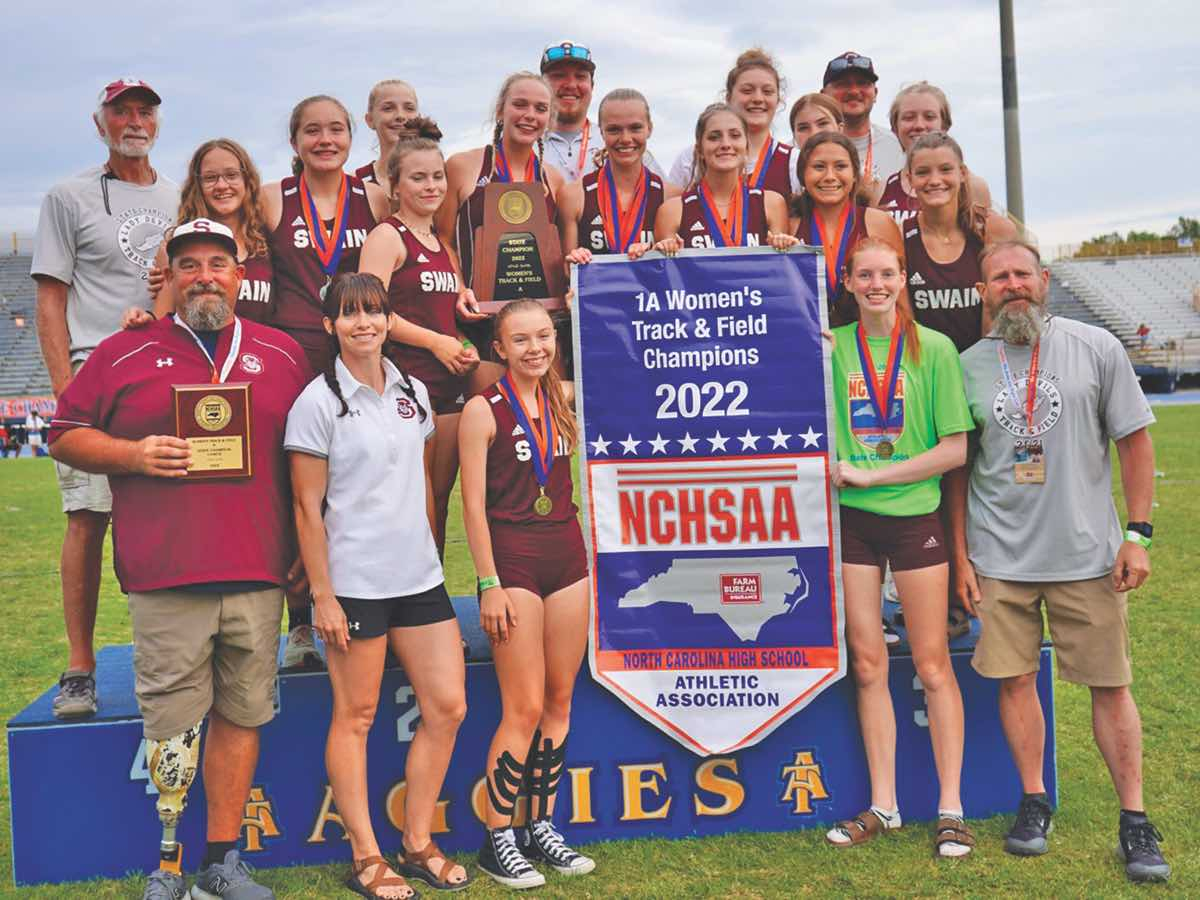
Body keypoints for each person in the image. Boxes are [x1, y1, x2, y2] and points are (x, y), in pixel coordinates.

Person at [47, 219, 309, 900]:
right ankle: (168, 867)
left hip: (256, 571)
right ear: (169, 277)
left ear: (240, 274)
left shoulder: (281, 353)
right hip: (167, 574)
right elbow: (64, 434)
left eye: (217, 263)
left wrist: (312, 551)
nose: (204, 276)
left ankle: (222, 860)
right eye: (188, 264)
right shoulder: (125, 351)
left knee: (243, 715)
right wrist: (133, 455)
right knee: (171, 725)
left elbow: (311, 464)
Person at [948, 240, 1170, 884]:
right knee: (1015, 680)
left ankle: (1134, 816)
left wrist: (1139, 534)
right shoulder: (967, 365)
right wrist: (963, 555)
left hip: (1088, 556)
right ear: (983, 290)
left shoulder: (1096, 347)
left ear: (1043, 280)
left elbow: (1135, 442)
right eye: (999, 278)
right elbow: (960, 473)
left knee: (1110, 684)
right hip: (1000, 559)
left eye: (1021, 274)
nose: (1012, 285)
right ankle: (1033, 800)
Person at [288, 273, 469, 899]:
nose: (363, 323)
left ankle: (417, 843)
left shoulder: (412, 390)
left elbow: (419, 485)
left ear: (390, 321)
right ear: (329, 325)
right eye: (349, 314)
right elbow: (308, 511)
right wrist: (323, 595)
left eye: (374, 312)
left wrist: (427, 549)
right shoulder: (316, 402)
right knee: (357, 715)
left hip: (419, 578)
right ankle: (367, 856)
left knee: (448, 707)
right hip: (355, 584)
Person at [31, 77, 179, 720]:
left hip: (170, 373)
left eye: (145, 110)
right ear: (101, 123)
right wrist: (68, 393)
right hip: (99, 371)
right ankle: (80, 665)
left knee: (177, 514)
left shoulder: (181, 194)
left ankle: (174, 650)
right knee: (88, 517)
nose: (134, 120)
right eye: (122, 110)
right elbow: (50, 298)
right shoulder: (67, 196)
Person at [826, 237, 974, 857]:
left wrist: (872, 474)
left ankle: (951, 807)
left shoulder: (933, 348)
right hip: (854, 526)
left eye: (887, 273)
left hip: (915, 519)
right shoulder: (832, 347)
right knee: (867, 663)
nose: (877, 283)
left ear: (902, 278)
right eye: (865, 274)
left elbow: (954, 450)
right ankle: (883, 806)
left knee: (933, 663)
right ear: (851, 282)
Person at [458, 299, 594, 888]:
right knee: (525, 707)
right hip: (513, 560)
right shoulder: (480, 410)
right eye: (521, 340)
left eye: (543, 336)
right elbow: (470, 507)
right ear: (500, 348)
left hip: (567, 556)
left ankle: (541, 825)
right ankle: (498, 838)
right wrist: (487, 583)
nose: (535, 348)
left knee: (559, 702)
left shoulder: (561, 396)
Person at [263, 95, 391, 665]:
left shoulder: (375, 197)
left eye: (336, 129)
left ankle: (382, 601)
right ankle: (296, 621)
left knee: (360, 484)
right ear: (295, 142)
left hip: (357, 353)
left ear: (349, 137)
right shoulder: (273, 198)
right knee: (299, 490)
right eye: (312, 131)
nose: (325, 140)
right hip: (295, 356)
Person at [359, 119, 479, 554]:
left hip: (449, 388)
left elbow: (449, 324)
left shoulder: (442, 245)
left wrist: (461, 345)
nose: (431, 186)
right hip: (407, 385)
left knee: (440, 499)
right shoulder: (388, 236)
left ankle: (433, 596)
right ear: (394, 185)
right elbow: (369, 313)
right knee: (411, 500)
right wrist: (436, 343)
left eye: (438, 176)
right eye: (418, 177)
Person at [438, 71, 564, 391]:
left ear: (549, 118)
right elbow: (441, 238)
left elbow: (557, 254)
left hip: (538, 328)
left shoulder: (555, 180)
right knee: (491, 417)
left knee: (544, 417)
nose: (530, 116)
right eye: (520, 105)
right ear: (500, 110)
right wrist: (459, 287)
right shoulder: (462, 166)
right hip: (479, 321)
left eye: (540, 108)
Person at [128, 139, 275, 326]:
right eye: (210, 178)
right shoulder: (175, 245)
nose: (222, 185)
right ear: (197, 186)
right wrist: (142, 319)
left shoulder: (266, 241)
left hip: (258, 353)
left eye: (232, 175)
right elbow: (161, 321)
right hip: (194, 353)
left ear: (247, 181)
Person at [903, 132, 1018, 353]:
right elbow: (905, 321)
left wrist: (983, 367)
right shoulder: (901, 235)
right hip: (929, 368)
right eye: (923, 172)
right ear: (910, 179)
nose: (935, 180)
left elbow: (997, 311)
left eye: (945, 169)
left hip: (986, 363)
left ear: (962, 173)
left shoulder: (992, 229)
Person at [790, 132, 901, 326]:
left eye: (840, 166)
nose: (830, 176)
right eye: (819, 167)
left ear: (854, 174)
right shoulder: (790, 226)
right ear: (802, 174)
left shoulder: (879, 223)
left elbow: (900, 299)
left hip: (866, 346)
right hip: (807, 343)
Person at [654, 104, 797, 254]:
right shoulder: (672, 211)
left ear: (746, 147)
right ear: (699, 150)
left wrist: (785, 246)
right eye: (714, 137)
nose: (726, 144)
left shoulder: (772, 204)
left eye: (735, 136)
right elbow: (669, 274)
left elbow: (782, 269)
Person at [559, 89, 677, 264]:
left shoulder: (672, 197)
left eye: (635, 128)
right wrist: (575, 259)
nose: (626, 138)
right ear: (601, 132)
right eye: (614, 130)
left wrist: (659, 251)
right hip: (598, 291)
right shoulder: (573, 196)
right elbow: (567, 273)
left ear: (649, 129)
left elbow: (681, 273)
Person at [668, 49, 794, 199]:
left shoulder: (794, 161)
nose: (758, 98)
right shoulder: (689, 158)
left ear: (778, 100)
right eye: (747, 91)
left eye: (767, 92)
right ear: (728, 97)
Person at [877, 82, 992, 221]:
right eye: (909, 117)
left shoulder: (973, 187)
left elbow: (985, 239)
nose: (919, 125)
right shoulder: (880, 190)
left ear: (944, 125)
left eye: (929, 117)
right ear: (895, 128)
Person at [820, 52, 904, 197]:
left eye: (862, 83)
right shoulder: (801, 147)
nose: (853, 91)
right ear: (823, 95)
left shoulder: (898, 146)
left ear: (875, 93)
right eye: (843, 84)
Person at [354, 80, 421, 194]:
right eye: (388, 108)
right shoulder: (355, 183)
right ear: (370, 120)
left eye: (409, 108)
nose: (400, 116)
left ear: (419, 118)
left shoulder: (441, 179)